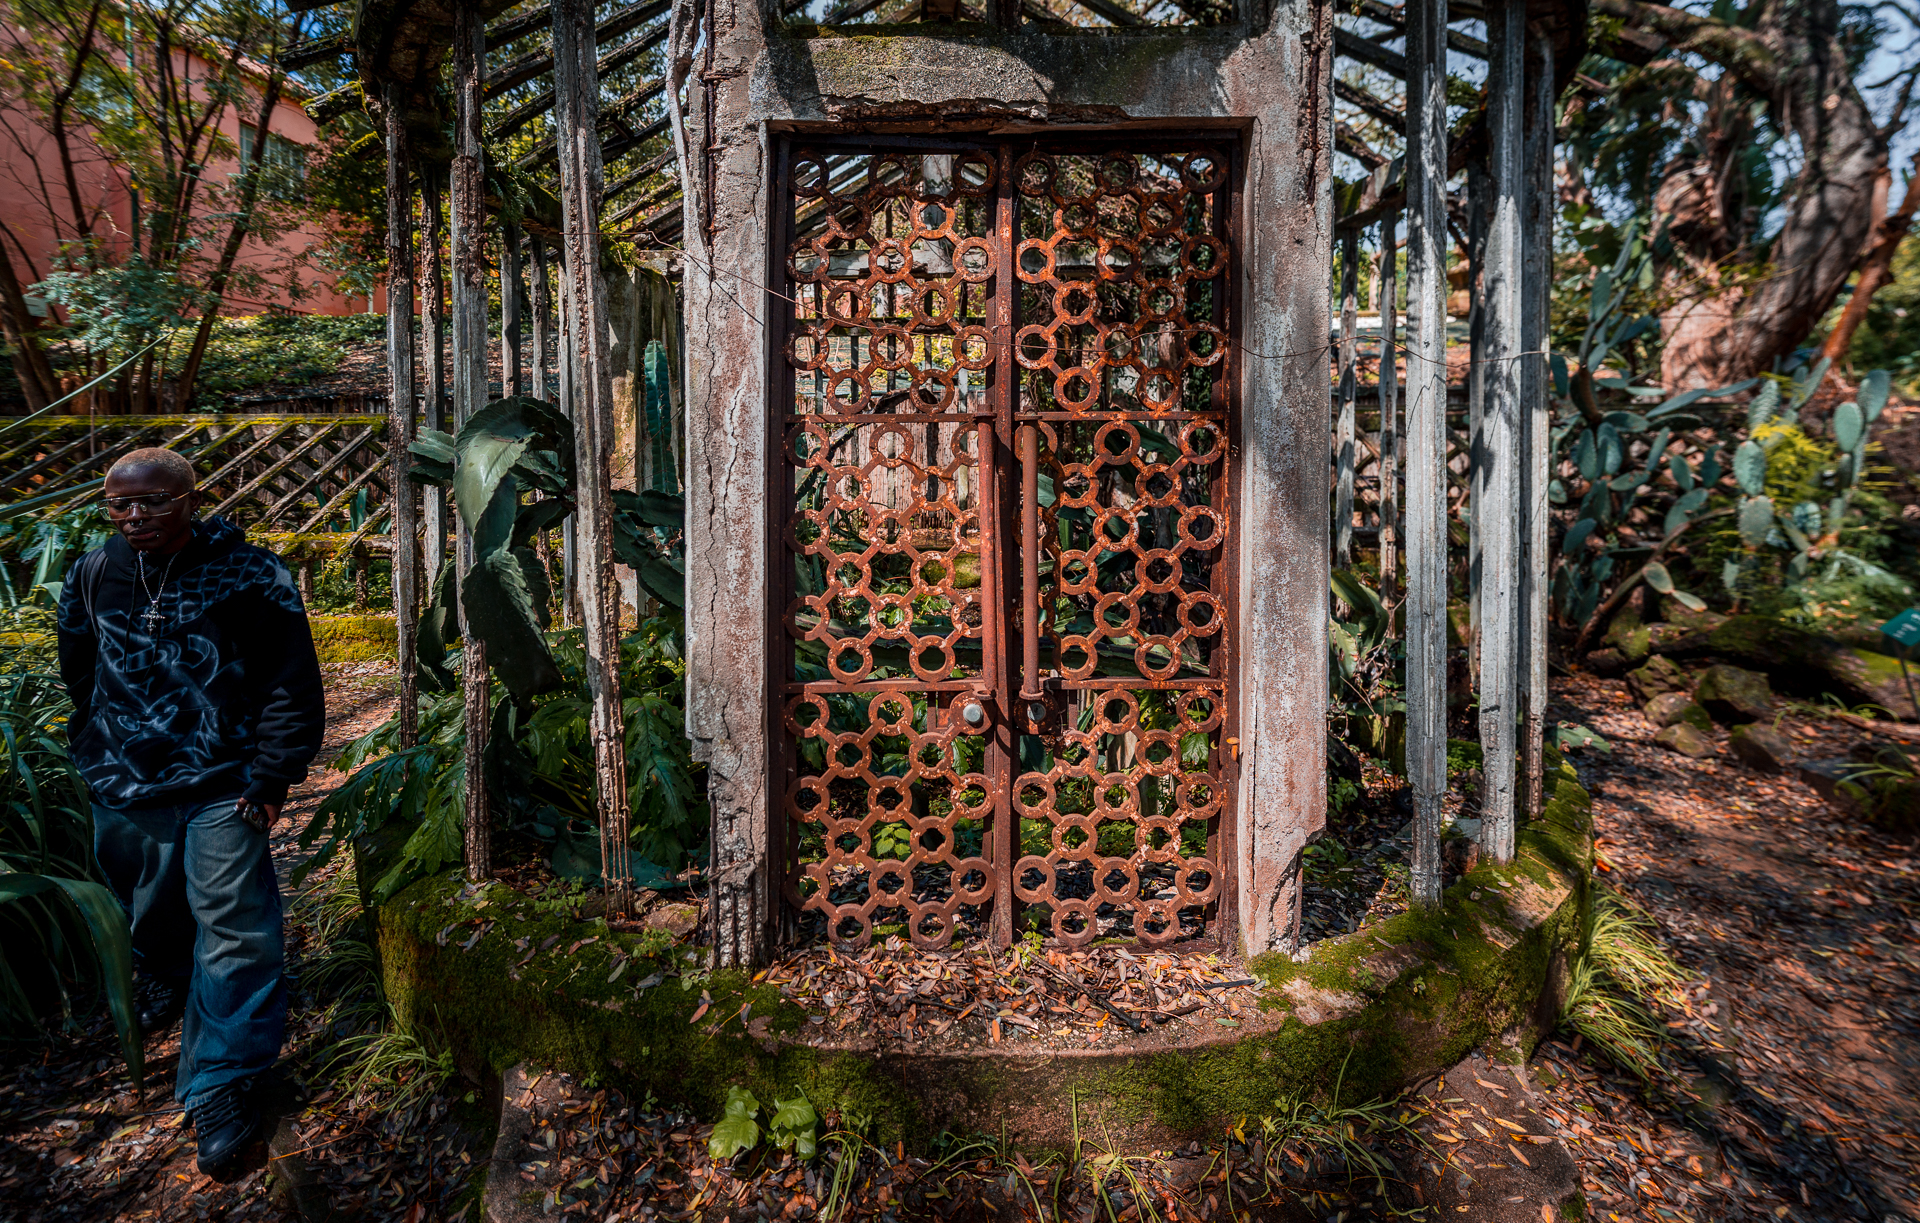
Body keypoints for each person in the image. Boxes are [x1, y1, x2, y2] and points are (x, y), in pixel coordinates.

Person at [56, 447, 324, 1180]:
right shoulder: (91, 574)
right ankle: (182, 989)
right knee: (154, 919)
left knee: (234, 925)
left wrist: (272, 775)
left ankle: (222, 1084)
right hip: (124, 783)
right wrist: (99, 747)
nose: (135, 516)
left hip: (224, 781)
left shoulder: (251, 572)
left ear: (190, 498)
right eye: (119, 504)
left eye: (153, 502)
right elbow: (79, 670)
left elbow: (291, 680)